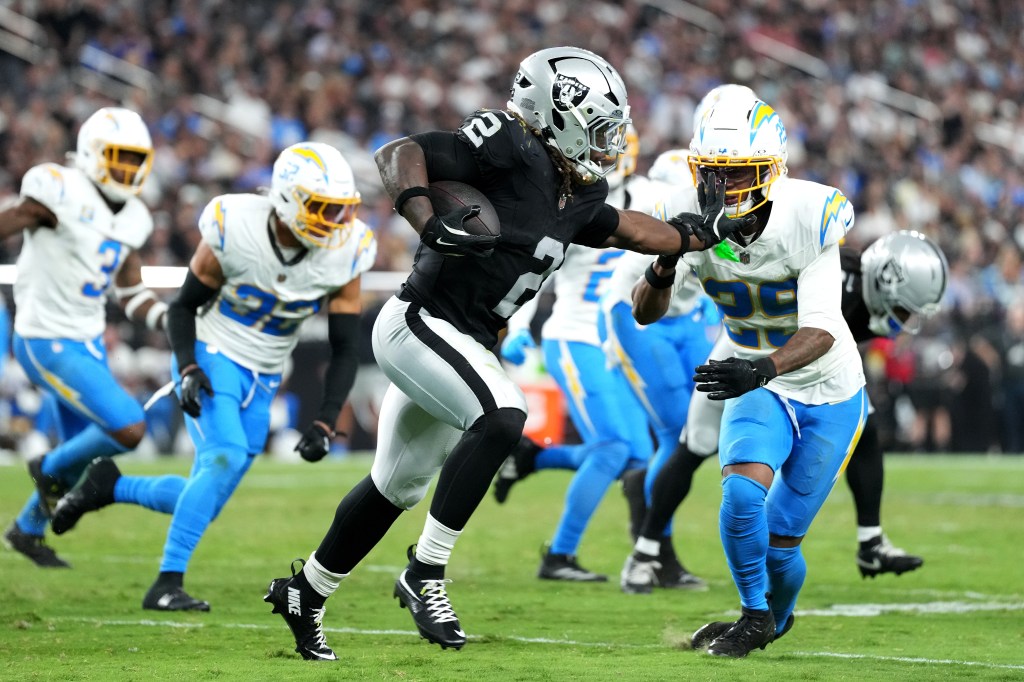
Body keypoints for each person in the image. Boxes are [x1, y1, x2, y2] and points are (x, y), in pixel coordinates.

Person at [264, 46, 749, 661]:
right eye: (598, 129)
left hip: (462, 340)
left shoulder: (578, 191)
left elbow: (627, 227)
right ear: (558, 114)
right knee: (502, 415)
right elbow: (399, 154)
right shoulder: (508, 143)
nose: (606, 145)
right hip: (420, 321)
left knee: (395, 486)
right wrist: (421, 215)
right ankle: (425, 573)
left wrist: (695, 234)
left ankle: (306, 591)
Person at [50, 142, 374, 611]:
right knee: (220, 460)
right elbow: (182, 306)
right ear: (287, 199)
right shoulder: (235, 225)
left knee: (209, 496)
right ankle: (166, 583)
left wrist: (325, 420)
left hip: (265, 372)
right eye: (323, 208)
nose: (336, 222)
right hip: (213, 351)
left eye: (342, 210)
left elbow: (345, 346)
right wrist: (187, 366)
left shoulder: (348, 250)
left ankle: (109, 486)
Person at [637, 95, 866, 658]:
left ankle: (776, 617)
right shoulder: (680, 209)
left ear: (773, 169)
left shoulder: (809, 214)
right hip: (751, 374)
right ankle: (753, 613)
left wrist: (760, 368)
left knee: (782, 543)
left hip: (825, 387)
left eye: (742, 169)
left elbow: (823, 330)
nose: (727, 184)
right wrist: (668, 257)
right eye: (715, 171)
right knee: (741, 496)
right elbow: (645, 310)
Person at [0, 107, 166, 569]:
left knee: (79, 462)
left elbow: (130, 291)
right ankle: (45, 468)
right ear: (93, 154)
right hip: (44, 339)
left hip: (87, 340)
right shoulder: (59, 190)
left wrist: (170, 319)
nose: (129, 169)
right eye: (119, 157)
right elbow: (13, 218)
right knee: (129, 427)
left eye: (136, 159)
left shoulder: (135, 217)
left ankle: (26, 530)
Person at [495, 128, 657, 582]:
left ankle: (531, 458)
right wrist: (520, 327)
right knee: (613, 449)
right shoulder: (571, 197)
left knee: (637, 455)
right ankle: (559, 556)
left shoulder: (649, 195)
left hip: (617, 344)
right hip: (576, 337)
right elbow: (539, 269)